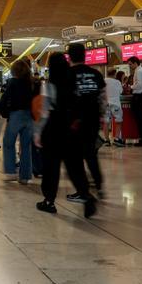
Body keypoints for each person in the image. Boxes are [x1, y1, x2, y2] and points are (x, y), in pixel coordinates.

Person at [33, 52, 97, 218]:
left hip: (53, 128)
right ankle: (86, 196)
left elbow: (45, 111)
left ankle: (49, 201)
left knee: (51, 167)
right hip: (71, 129)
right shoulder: (73, 81)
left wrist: (38, 132)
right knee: (75, 166)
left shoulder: (49, 84)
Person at [66, 42, 107, 200]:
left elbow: (64, 100)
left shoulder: (68, 74)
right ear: (85, 55)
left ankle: (82, 191)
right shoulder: (95, 74)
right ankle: (99, 185)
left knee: (75, 158)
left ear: (69, 56)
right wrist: (102, 116)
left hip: (75, 122)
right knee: (90, 154)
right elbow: (103, 97)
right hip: (93, 119)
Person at [0, 59, 37, 184]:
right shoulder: (32, 83)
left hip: (16, 115)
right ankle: (25, 176)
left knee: (8, 143)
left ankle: (10, 172)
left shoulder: (12, 82)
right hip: (30, 116)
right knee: (26, 146)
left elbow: (5, 99)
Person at [127, 56, 142, 146]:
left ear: (135, 63)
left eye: (130, 64)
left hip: (139, 97)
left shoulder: (139, 71)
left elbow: (139, 85)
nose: (130, 66)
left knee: (141, 120)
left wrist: (131, 87)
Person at [103, 69, 123, 146]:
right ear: (114, 74)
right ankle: (117, 139)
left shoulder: (103, 81)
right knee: (118, 121)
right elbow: (120, 92)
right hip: (115, 104)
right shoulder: (117, 82)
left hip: (106, 104)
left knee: (106, 122)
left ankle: (106, 140)